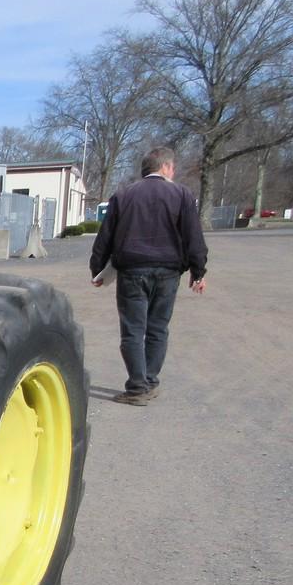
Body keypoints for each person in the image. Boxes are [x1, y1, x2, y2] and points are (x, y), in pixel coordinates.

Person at [89, 147, 208, 405]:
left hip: (132, 270)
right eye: (173, 168)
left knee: (133, 330)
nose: (173, 172)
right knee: (157, 329)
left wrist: (97, 270)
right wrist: (198, 272)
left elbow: (105, 237)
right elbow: (194, 237)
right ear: (165, 167)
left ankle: (137, 386)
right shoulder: (182, 195)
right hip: (168, 272)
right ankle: (149, 381)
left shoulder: (123, 195)